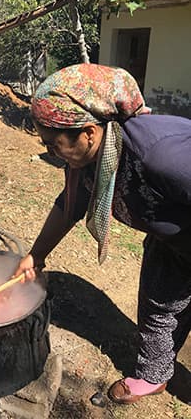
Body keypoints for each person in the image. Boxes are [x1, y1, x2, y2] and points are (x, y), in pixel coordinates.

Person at [13, 63, 191, 404]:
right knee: (158, 304)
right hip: (175, 241)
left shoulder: (162, 156)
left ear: (89, 133)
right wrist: (36, 255)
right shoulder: (93, 159)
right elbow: (71, 203)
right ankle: (153, 376)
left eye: (53, 143)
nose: (49, 152)